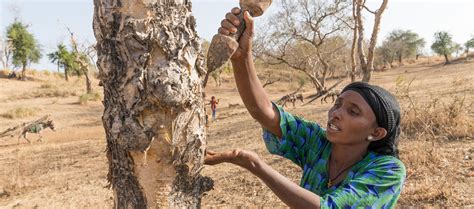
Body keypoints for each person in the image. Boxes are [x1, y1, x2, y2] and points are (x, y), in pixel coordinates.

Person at [204, 8, 406, 208]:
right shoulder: (317, 143)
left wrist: (255, 165)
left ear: (377, 133)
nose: (336, 114)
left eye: (353, 112)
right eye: (337, 104)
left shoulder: (388, 170)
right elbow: (265, 113)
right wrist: (242, 56)